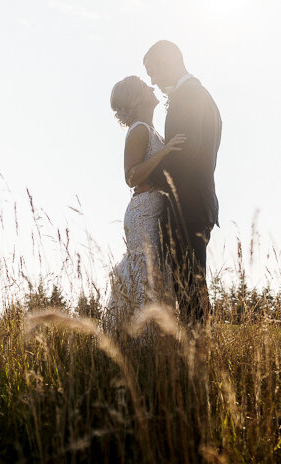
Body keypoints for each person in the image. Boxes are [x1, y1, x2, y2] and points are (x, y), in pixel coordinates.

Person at [143, 40, 222, 325]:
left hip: (187, 205)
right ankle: (194, 351)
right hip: (197, 203)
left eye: (153, 70)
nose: (152, 79)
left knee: (189, 287)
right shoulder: (199, 94)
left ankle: (195, 355)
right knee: (190, 284)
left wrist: (146, 177)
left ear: (168, 62)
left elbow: (187, 154)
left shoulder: (189, 96)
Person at [105, 75, 186, 327]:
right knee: (146, 275)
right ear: (136, 98)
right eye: (144, 86)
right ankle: (138, 338)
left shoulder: (150, 129)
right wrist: (164, 151)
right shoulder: (139, 129)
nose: (151, 87)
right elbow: (131, 176)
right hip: (143, 213)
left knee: (155, 275)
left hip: (155, 211)